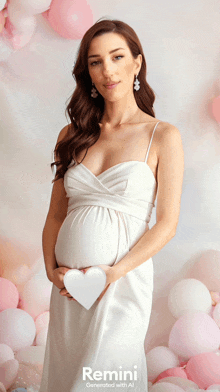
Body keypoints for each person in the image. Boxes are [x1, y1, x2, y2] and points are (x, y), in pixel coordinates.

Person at [39, 18, 184, 392]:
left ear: (137, 63)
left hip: (122, 282)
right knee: (69, 376)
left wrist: (112, 274)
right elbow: (56, 214)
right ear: (86, 71)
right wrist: (51, 270)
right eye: (95, 61)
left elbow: (166, 224)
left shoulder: (163, 136)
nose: (108, 70)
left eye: (117, 57)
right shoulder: (71, 135)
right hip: (70, 288)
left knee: (105, 378)